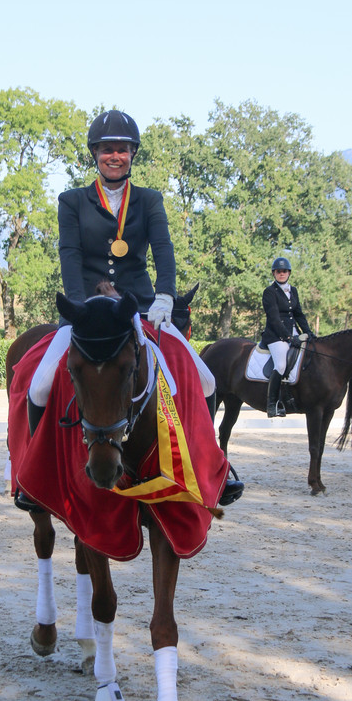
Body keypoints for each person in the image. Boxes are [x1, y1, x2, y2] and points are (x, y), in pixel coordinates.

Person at [26, 110, 243, 504]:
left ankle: (213, 462)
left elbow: (163, 248)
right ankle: (37, 471)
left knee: (206, 380)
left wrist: (165, 295)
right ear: (95, 153)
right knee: (40, 384)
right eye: (107, 149)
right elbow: (70, 254)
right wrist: (78, 307)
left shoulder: (149, 200)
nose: (115, 156)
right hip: (87, 308)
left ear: (132, 155)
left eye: (122, 149)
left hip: (141, 306)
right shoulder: (72, 201)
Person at [261, 257, 314, 418]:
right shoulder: (269, 292)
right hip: (276, 336)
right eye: (278, 271)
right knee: (281, 365)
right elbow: (274, 319)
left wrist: (309, 332)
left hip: (293, 332)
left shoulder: (293, 290)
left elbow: (298, 314)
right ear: (274, 273)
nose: (282, 273)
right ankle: (272, 405)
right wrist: (289, 338)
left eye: (284, 271)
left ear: (289, 273)